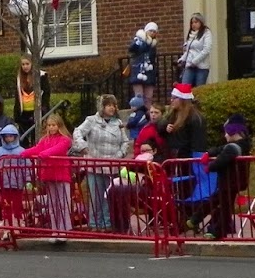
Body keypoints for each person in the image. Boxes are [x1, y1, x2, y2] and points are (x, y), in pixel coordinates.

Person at [71, 95, 131, 231]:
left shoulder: (118, 122)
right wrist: (83, 147)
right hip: (95, 164)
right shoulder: (91, 120)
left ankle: (107, 223)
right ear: (102, 107)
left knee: (108, 195)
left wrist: (120, 154)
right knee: (95, 196)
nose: (112, 107)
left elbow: (125, 141)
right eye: (108, 105)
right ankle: (94, 224)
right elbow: (78, 132)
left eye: (113, 105)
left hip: (112, 165)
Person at [27, 113, 75, 242]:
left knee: (63, 203)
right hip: (49, 175)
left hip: (62, 174)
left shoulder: (65, 139)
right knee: (52, 204)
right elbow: (37, 148)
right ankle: (55, 231)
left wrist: (43, 154)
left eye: (53, 125)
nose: (51, 128)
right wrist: (24, 153)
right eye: (49, 125)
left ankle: (63, 230)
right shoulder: (44, 140)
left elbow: (57, 149)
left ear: (59, 126)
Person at [206, 115, 251, 240]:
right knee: (223, 204)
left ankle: (218, 230)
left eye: (226, 132)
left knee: (224, 206)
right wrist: (209, 153)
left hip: (231, 181)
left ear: (233, 132)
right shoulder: (239, 145)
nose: (225, 135)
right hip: (230, 181)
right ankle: (217, 227)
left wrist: (210, 166)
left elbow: (222, 159)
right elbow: (221, 149)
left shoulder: (234, 147)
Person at [14, 56, 51, 129]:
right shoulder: (19, 78)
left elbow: (46, 93)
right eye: (23, 64)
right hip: (24, 112)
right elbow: (17, 96)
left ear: (32, 64)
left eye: (27, 64)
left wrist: (43, 108)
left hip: (37, 111)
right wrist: (16, 114)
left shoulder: (41, 76)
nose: (25, 66)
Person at [178, 13, 213, 87]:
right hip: (189, 66)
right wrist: (182, 59)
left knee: (199, 89)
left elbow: (206, 50)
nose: (193, 24)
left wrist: (194, 61)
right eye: (192, 23)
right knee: (185, 87)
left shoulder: (206, 33)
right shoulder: (191, 34)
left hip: (201, 67)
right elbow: (188, 50)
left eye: (196, 22)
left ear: (201, 22)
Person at [127, 26, 160, 102]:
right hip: (138, 70)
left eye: (154, 31)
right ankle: (139, 112)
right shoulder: (138, 40)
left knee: (149, 96)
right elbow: (132, 49)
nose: (152, 33)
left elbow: (152, 57)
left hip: (149, 71)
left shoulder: (153, 45)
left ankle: (147, 112)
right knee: (139, 95)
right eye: (150, 30)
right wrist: (144, 42)